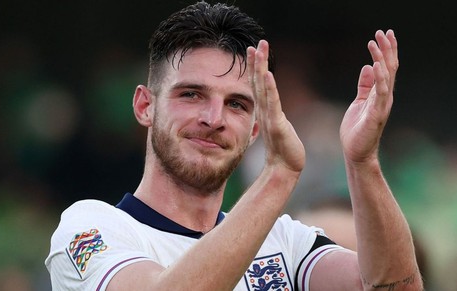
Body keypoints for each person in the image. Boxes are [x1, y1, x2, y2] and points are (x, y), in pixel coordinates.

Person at [45, 1, 423, 290]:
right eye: (191, 94)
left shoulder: (285, 242)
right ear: (145, 106)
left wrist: (362, 162)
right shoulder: (91, 228)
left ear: (255, 127)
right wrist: (278, 176)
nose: (214, 118)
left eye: (237, 104)